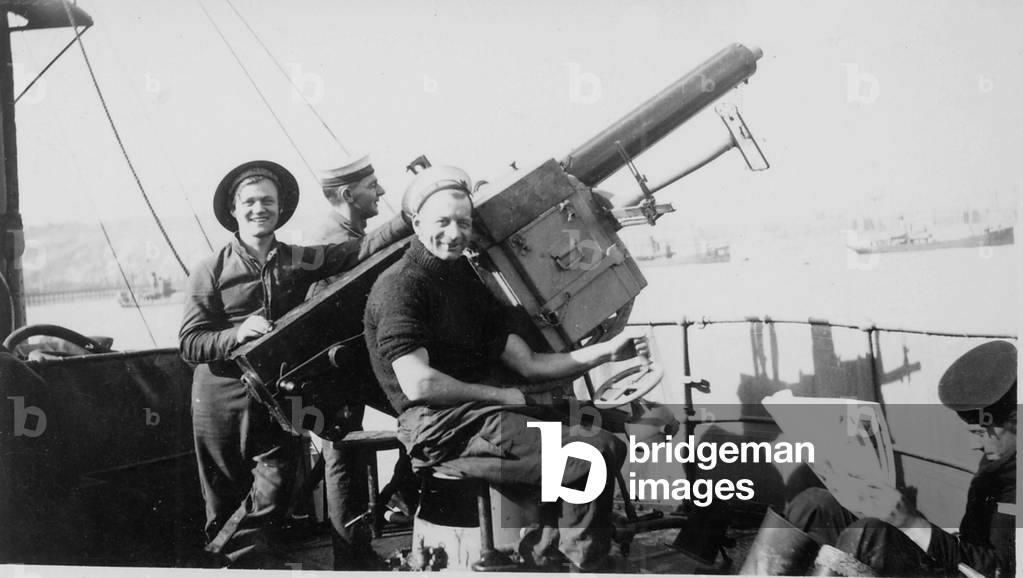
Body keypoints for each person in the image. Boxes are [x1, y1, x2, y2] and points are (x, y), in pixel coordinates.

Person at [363, 165, 644, 572]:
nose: (455, 233)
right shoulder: (400, 286)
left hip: (486, 416)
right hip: (442, 427)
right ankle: (582, 564)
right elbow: (419, 382)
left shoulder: (465, 281)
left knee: (605, 429)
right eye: (442, 222)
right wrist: (502, 396)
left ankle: (551, 553)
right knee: (592, 452)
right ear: (417, 223)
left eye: (464, 222)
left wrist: (604, 353)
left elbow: (525, 363)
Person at [179, 159, 408, 567]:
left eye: (267, 200)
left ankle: (241, 559)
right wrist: (236, 334)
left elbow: (356, 251)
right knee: (225, 501)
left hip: (274, 399)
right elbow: (190, 343)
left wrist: (412, 217)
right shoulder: (209, 270)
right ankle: (239, 564)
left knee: (280, 485)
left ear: (280, 207)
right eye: (248, 201)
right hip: (220, 402)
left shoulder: (295, 261)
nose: (258, 208)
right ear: (234, 210)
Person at [782, 340, 1016, 577]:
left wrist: (913, 524)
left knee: (868, 533)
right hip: (951, 561)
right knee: (814, 506)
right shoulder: (1000, 459)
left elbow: (999, 571)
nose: (974, 445)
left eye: (980, 433)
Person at [305, 155, 416, 570]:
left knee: (349, 451)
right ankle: (353, 555)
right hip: (338, 365)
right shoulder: (329, 240)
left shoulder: (347, 231)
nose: (381, 192)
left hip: (351, 360)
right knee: (346, 452)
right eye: (373, 185)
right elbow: (353, 266)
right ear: (349, 194)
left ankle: (360, 545)